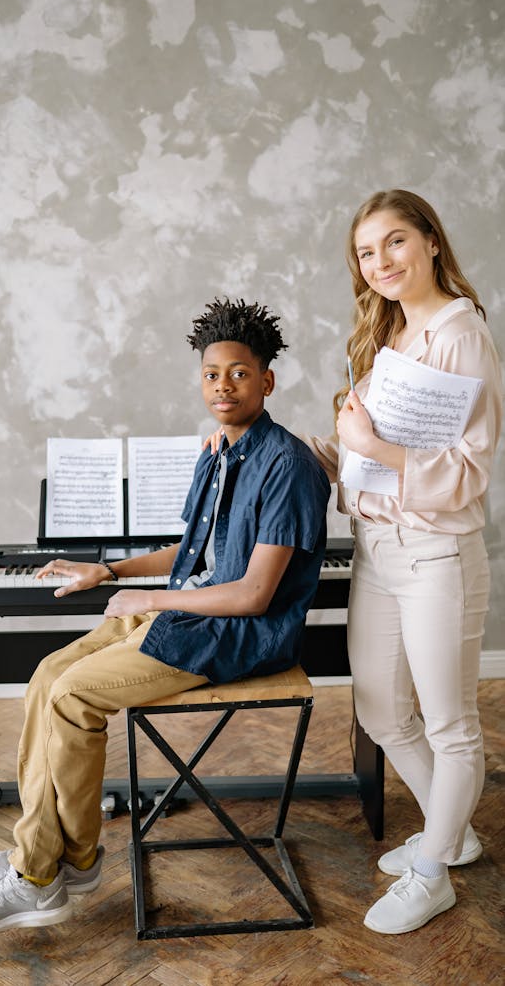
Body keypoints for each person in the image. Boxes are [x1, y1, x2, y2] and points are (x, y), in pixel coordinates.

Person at [0, 296, 331, 937]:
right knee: (46, 677)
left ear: (268, 379)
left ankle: (41, 876)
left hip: (237, 637)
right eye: (212, 374)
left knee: (71, 697)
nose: (223, 386)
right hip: (185, 614)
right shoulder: (217, 452)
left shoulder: (286, 465)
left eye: (238, 372)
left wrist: (150, 602)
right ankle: (68, 860)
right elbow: (192, 554)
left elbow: (253, 595)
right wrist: (113, 572)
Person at [206, 191, 500, 934]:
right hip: (378, 549)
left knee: (450, 725)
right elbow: (354, 457)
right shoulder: (391, 335)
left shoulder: (461, 332)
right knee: (379, 709)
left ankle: (434, 872)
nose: (382, 263)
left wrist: (377, 452)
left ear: (431, 241)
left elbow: (470, 470)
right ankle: (450, 832)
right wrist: (257, 440)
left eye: (395, 242)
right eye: (367, 254)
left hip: (437, 552)